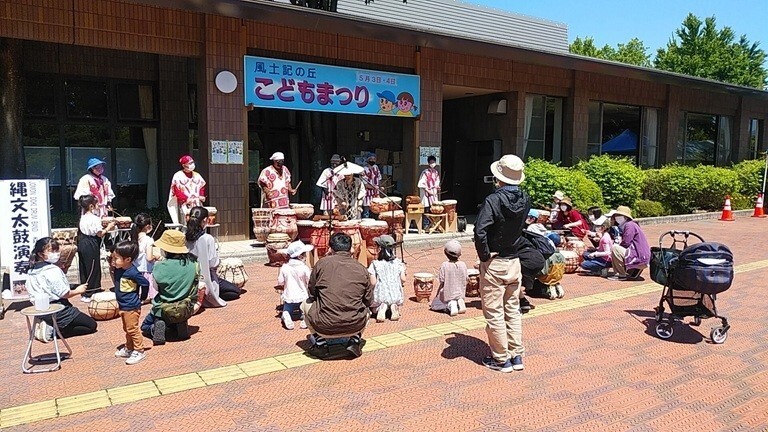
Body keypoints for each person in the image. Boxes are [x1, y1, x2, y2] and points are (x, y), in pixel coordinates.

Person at [474, 154, 529, 373]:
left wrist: (484, 255)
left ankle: (500, 359)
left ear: (499, 177)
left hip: (495, 261)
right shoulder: (525, 198)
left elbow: (480, 231)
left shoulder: (493, 200)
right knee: (512, 310)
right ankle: (516, 355)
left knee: (495, 312)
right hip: (514, 260)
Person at [302, 233, 373, 358]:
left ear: (330, 248)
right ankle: (355, 340)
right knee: (367, 310)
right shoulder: (361, 269)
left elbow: (311, 292)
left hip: (324, 324)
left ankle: (320, 343)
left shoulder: (321, 264)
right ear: (351, 248)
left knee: (304, 304)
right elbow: (368, 301)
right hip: (355, 324)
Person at [25, 238, 98, 342]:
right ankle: (53, 332)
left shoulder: (31, 269)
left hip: (40, 308)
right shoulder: (52, 270)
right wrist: (79, 290)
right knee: (91, 325)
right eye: (52, 251)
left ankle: (50, 324)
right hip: (58, 309)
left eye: (56, 250)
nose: (56, 254)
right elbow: (64, 293)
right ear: (41, 254)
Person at [142, 230, 199, 345]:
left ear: (165, 249)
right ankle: (179, 326)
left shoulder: (159, 266)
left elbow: (156, 288)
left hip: (162, 307)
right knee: (178, 318)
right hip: (184, 306)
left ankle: (156, 327)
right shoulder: (194, 264)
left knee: (145, 326)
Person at [185, 207, 241, 312]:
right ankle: (208, 296)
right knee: (235, 291)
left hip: (189, 277)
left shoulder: (185, 237)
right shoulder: (207, 238)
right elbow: (213, 263)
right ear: (205, 220)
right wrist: (219, 260)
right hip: (207, 277)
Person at [111, 241, 150, 365]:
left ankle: (139, 350)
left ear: (128, 259)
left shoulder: (133, 272)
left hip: (131, 306)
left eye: (116, 258)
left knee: (132, 329)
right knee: (127, 329)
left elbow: (145, 283)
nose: (113, 260)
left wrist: (142, 298)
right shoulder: (119, 269)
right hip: (122, 305)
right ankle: (129, 348)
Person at [77, 194, 114, 302]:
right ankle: (92, 292)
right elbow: (99, 234)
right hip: (91, 242)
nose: (98, 205)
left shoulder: (82, 217)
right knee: (93, 267)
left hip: (82, 242)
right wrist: (108, 227)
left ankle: (85, 291)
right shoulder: (94, 218)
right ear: (91, 206)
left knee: (84, 267)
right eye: (96, 203)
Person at [277, 241, 314, 330]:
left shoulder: (285, 267)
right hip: (303, 296)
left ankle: (286, 315)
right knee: (305, 310)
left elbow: (280, 282)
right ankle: (304, 319)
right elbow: (310, 281)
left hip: (289, 296)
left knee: (287, 308)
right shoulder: (304, 268)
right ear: (300, 256)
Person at [368, 235, 406, 322]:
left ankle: (381, 308)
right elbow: (403, 279)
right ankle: (393, 306)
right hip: (395, 295)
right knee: (393, 302)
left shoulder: (375, 264)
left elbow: (373, 282)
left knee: (373, 309)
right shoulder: (398, 263)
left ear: (379, 248)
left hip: (380, 295)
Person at [608, 206, 651, 281]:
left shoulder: (629, 225)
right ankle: (632, 271)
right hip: (643, 257)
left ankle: (620, 274)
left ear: (626, 217)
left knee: (615, 248)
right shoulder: (632, 224)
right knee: (618, 248)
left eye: (619, 216)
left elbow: (626, 242)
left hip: (639, 257)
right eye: (616, 215)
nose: (617, 217)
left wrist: (618, 248)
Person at [430, 240, 468, 316]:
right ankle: (460, 301)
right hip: (460, 293)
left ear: (446, 253)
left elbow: (442, 282)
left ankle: (450, 305)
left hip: (448, 295)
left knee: (434, 305)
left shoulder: (445, 265)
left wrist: (437, 294)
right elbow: (466, 279)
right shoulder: (463, 264)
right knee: (457, 297)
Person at [167, 155, 206, 225]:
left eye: (192, 162)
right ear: (184, 165)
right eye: (189, 163)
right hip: (184, 204)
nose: (192, 165)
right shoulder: (178, 175)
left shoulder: (197, 175)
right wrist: (186, 199)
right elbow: (176, 190)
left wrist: (201, 195)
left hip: (197, 203)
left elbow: (201, 186)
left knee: (199, 222)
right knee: (186, 223)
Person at [130, 213, 159, 302]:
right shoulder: (148, 240)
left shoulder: (131, 238)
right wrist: (156, 256)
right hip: (146, 269)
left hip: (135, 269)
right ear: (147, 226)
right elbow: (149, 258)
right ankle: (146, 297)